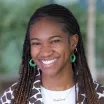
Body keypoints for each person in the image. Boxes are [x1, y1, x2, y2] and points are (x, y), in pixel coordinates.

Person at [0, 4, 104, 104]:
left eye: (54, 41)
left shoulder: (99, 96)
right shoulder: (12, 98)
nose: (45, 52)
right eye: (36, 43)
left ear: (73, 42)